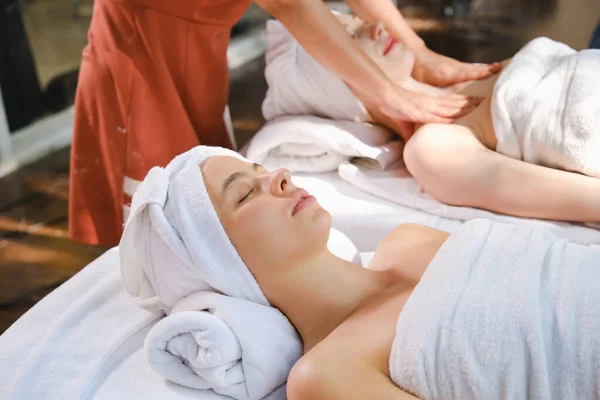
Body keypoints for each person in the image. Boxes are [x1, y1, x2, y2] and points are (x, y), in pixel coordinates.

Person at [120, 145, 600, 399]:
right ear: (222, 265)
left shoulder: (408, 240)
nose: (279, 177)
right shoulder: (327, 375)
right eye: (244, 193)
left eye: (260, 168)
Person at [69, 0, 500, 246]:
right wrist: (391, 93)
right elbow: (290, 3)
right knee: (164, 225)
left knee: (202, 206)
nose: (365, 31)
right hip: (142, 54)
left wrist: (418, 52)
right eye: (350, 32)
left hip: (197, 42)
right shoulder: (435, 151)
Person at [263, 14, 600, 225]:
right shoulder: (431, 146)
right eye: (351, 37)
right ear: (341, 83)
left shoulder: (472, 76)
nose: (376, 24)